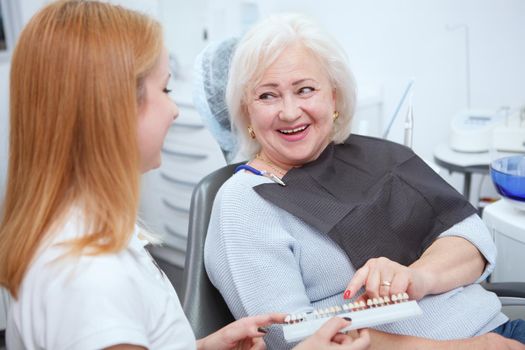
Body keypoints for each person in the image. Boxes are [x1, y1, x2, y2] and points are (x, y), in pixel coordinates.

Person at [0, 2, 370, 350]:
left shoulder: (80, 240)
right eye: (165, 89)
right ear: (110, 111)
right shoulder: (91, 281)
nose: (174, 109)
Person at [203, 13, 525, 350]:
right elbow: (294, 338)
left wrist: (419, 276)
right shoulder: (245, 203)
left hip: (499, 331)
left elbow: (473, 238)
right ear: (246, 111)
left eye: (305, 89)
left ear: (335, 97)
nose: (289, 111)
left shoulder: (375, 155)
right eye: (267, 95)